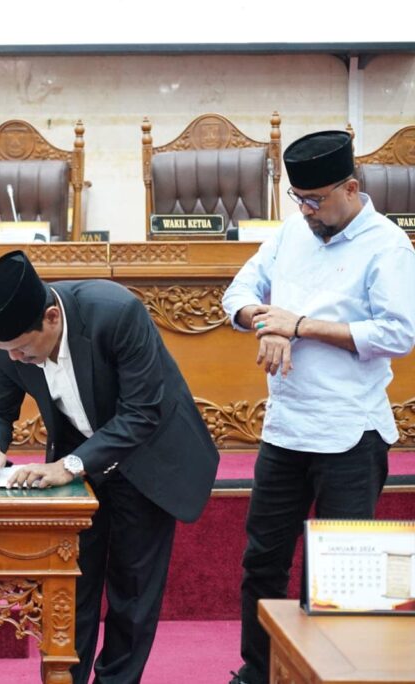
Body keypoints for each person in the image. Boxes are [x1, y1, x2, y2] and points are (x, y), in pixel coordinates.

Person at [0, 250, 219, 684]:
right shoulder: (7, 342)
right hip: (76, 457)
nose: (17, 361)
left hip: (148, 456)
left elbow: (143, 412)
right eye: (8, 352)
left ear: (50, 318)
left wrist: (71, 465)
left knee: (131, 594)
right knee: (71, 589)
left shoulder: (116, 312)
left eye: (24, 351)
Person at [223, 131, 415, 684]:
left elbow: (398, 333)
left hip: (350, 434)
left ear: (351, 188)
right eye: (298, 199)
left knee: (339, 573)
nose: (306, 211)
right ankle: (257, 671)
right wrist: (267, 321)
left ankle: (329, 676)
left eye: (316, 201)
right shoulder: (291, 233)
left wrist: (300, 326)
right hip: (286, 430)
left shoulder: (388, 247)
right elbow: (236, 295)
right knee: (262, 561)